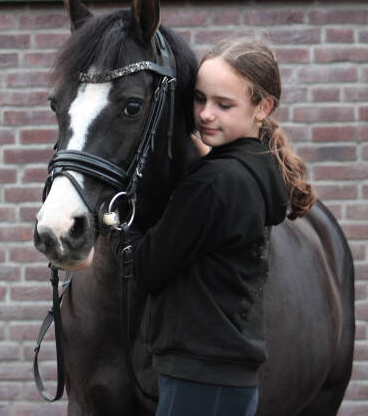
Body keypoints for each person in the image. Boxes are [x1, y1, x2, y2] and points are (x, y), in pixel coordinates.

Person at [110, 37, 316, 416]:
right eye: (200, 99)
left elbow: (144, 269)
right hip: (225, 377)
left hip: (198, 378)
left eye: (224, 105)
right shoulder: (256, 168)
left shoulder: (214, 183)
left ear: (263, 107)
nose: (206, 114)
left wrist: (117, 220)